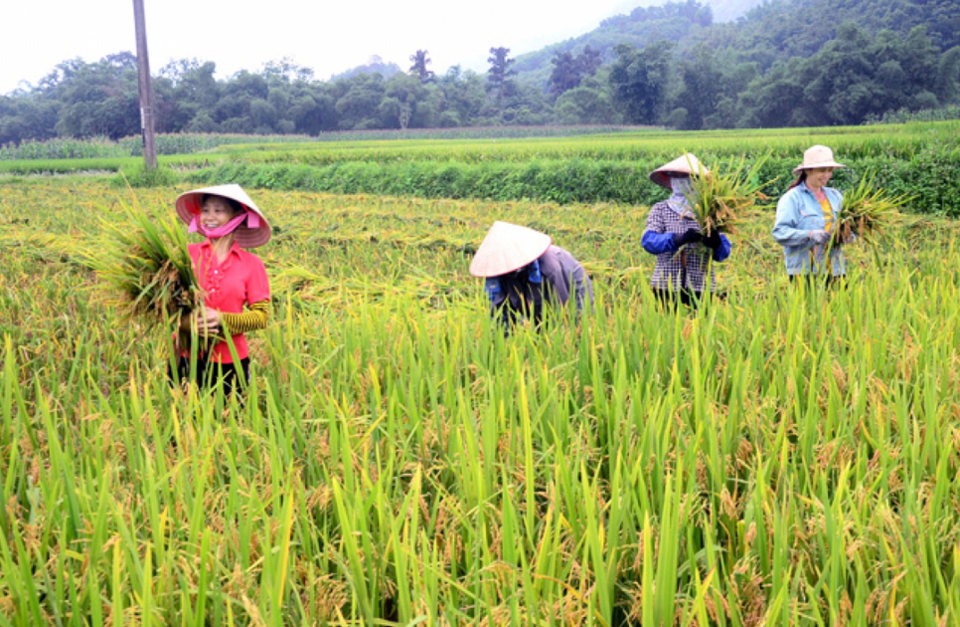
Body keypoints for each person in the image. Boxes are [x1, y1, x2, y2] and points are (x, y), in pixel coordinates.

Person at [173, 184, 271, 394]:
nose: (210, 216)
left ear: (237, 215)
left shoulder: (252, 264)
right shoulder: (185, 255)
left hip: (230, 360)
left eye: (219, 210)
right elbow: (161, 305)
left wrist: (221, 320)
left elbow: (261, 316)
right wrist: (185, 323)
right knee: (183, 420)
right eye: (206, 210)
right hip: (186, 356)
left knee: (229, 422)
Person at [469, 221, 592, 334]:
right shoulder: (498, 271)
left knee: (577, 322)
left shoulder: (549, 269)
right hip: (524, 278)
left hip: (570, 281)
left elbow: (560, 308)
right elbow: (500, 310)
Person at [641, 153, 731, 308]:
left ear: (696, 181)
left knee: (700, 329)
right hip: (666, 285)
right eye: (674, 175)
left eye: (684, 176)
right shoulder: (661, 209)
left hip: (700, 287)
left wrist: (716, 243)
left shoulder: (709, 211)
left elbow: (723, 254)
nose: (678, 179)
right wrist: (676, 239)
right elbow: (648, 241)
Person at [772, 145, 848, 284]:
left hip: (835, 269)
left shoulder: (835, 196)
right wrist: (810, 235)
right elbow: (780, 233)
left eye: (830, 170)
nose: (827, 175)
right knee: (805, 306)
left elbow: (849, 228)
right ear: (808, 170)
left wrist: (844, 235)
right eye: (822, 170)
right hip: (805, 272)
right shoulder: (792, 198)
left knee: (841, 305)